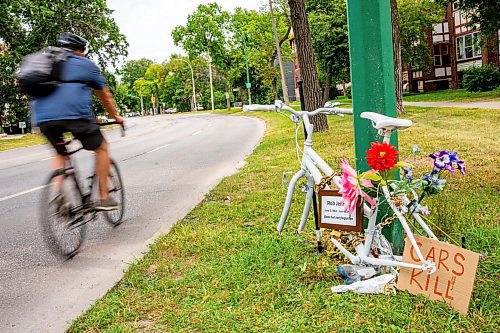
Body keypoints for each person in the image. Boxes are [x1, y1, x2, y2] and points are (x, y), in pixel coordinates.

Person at [32, 32, 124, 211]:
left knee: (60, 152)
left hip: (44, 119)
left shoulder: (46, 63)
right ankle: (104, 197)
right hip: (75, 117)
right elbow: (105, 97)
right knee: (102, 148)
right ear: (81, 50)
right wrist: (116, 117)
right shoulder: (86, 65)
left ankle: (60, 196)